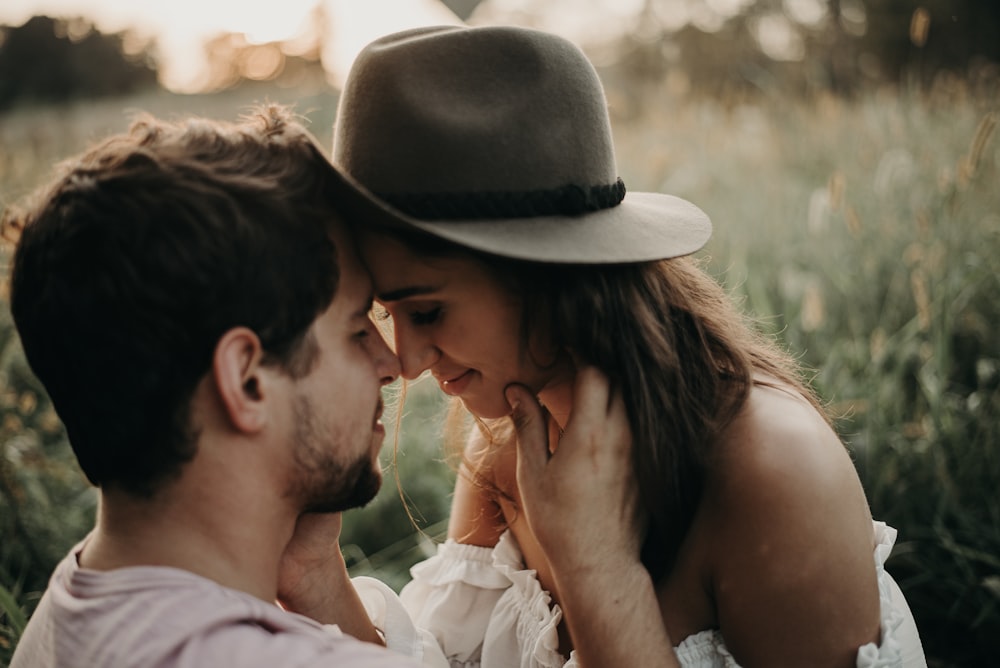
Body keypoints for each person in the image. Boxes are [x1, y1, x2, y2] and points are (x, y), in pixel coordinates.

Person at [329, 25, 928, 667]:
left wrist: (599, 572)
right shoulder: (510, 442)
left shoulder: (773, 473)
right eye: (386, 313)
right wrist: (315, 573)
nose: (409, 361)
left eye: (427, 311)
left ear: (548, 273)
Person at [4, 105, 451, 667]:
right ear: (246, 381)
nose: (394, 365)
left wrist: (316, 581)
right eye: (358, 328)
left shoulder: (70, 613)